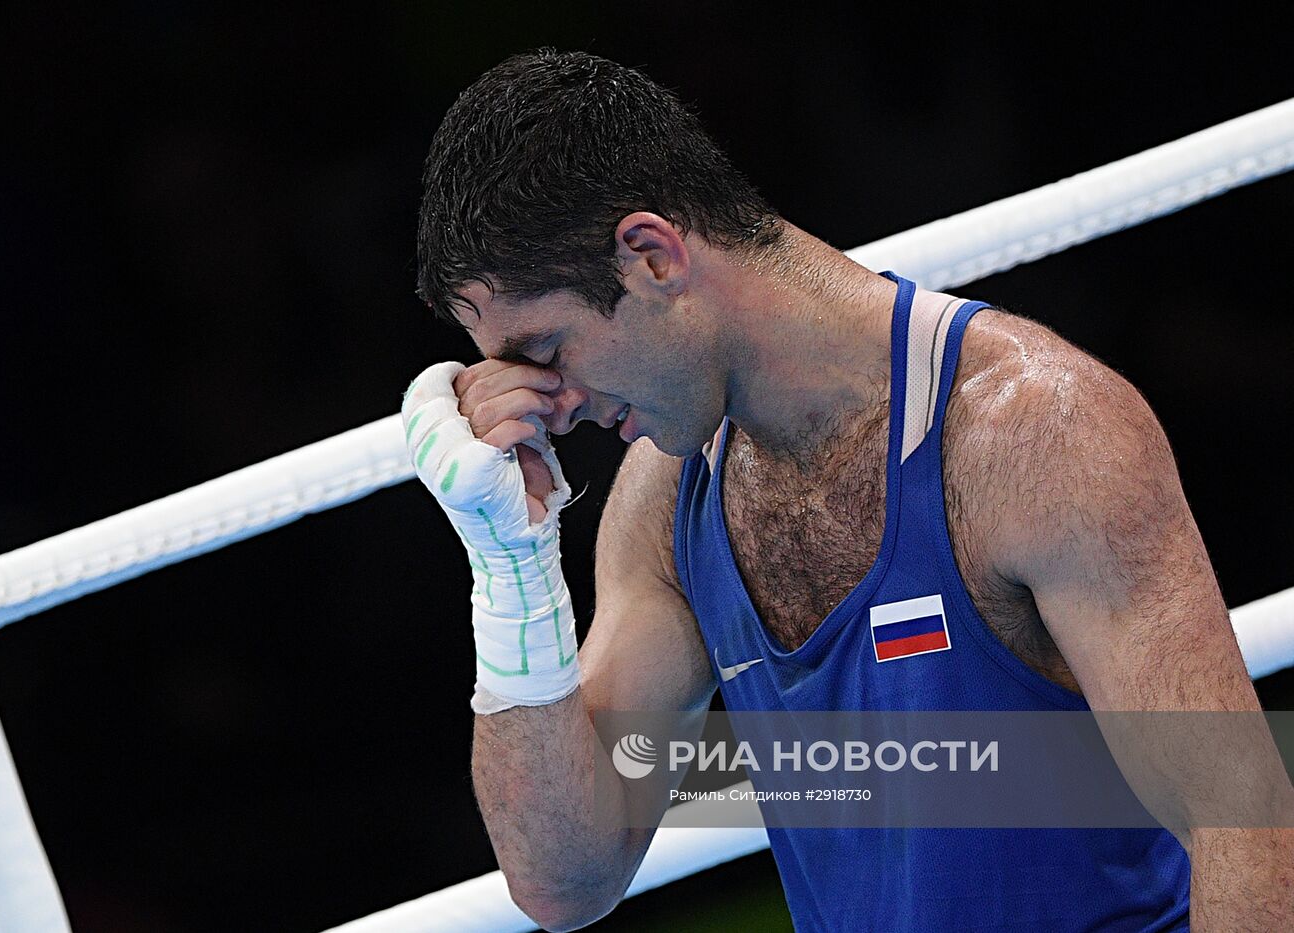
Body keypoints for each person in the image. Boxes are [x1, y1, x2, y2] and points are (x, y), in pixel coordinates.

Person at [400, 49, 1293, 931]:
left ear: (652, 255)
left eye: (548, 351)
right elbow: (564, 880)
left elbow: (1245, 822)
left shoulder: (1032, 433)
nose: (548, 407)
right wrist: (509, 565)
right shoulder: (665, 501)